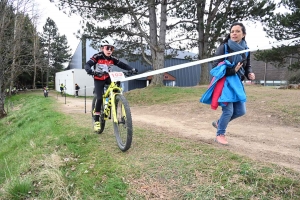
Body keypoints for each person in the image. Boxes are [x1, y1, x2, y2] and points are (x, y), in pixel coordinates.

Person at [209, 22, 255, 145]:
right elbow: (214, 67)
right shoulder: (224, 47)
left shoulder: (246, 50)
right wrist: (231, 70)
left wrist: (249, 73)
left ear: (243, 34)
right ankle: (220, 134)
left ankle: (219, 123)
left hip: (237, 83)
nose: (234, 33)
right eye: (232, 31)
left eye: (237, 31)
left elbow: (247, 66)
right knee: (228, 111)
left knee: (241, 111)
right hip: (224, 83)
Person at [85, 36, 137, 132]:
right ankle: (96, 120)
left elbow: (122, 65)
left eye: (111, 48)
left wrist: (131, 69)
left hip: (109, 77)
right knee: (99, 98)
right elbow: (88, 64)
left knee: (116, 84)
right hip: (98, 78)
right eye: (107, 48)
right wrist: (90, 71)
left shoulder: (112, 58)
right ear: (102, 48)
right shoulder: (97, 56)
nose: (109, 50)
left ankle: (114, 99)